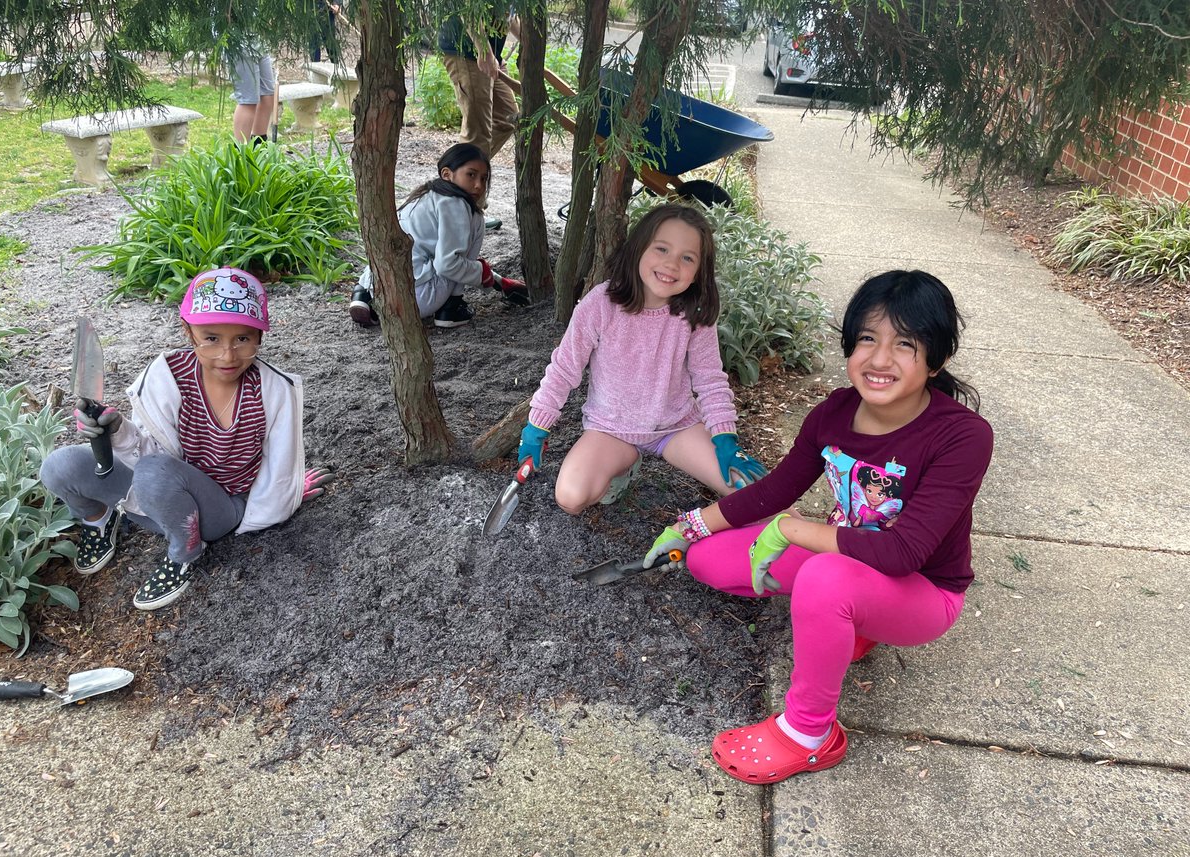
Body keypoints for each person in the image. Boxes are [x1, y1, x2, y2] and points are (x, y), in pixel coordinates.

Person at [643, 269, 994, 785]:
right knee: (708, 560)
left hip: (923, 591)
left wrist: (791, 530)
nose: (879, 359)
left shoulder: (961, 436)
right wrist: (692, 525)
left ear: (936, 358)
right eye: (867, 339)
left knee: (824, 580)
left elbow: (902, 554)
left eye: (904, 344)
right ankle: (849, 623)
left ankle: (811, 734)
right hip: (852, 559)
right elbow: (777, 488)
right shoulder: (835, 411)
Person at [40, 267, 334, 611]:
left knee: (155, 473)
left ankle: (184, 553)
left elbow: (280, 461)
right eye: (211, 338)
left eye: (243, 339)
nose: (227, 355)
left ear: (259, 338)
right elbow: (150, 454)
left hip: (218, 511)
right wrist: (117, 431)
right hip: (159, 498)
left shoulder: (272, 391)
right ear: (188, 332)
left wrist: (286, 496)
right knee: (60, 466)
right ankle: (99, 519)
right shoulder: (166, 378)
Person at [517, 203, 766, 514]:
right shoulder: (600, 304)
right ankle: (624, 464)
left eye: (687, 257)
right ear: (638, 248)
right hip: (611, 429)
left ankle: (818, 541)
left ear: (700, 269)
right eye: (661, 248)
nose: (671, 264)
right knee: (571, 497)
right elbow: (564, 369)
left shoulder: (695, 312)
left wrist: (726, 439)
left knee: (753, 493)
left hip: (676, 426)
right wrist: (536, 426)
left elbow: (710, 379)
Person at [349, 142, 528, 329]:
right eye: (471, 175)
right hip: (417, 298)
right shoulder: (459, 205)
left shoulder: (423, 195)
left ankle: (363, 295)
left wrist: (496, 279)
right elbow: (448, 264)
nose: (478, 185)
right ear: (446, 174)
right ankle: (451, 308)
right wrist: (482, 274)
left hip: (379, 285)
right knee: (471, 234)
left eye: (484, 179)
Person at [437, 7, 520, 230]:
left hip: (488, 54)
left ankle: (453, 174)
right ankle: (467, 210)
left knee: (508, 119)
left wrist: (527, 43)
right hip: (467, 51)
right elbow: (468, 6)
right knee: (478, 135)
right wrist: (484, 51)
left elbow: (508, 11)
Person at [227, 37, 277, 142]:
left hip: (258, 38)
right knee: (248, 101)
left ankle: (259, 148)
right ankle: (241, 153)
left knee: (267, 95)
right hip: (239, 41)